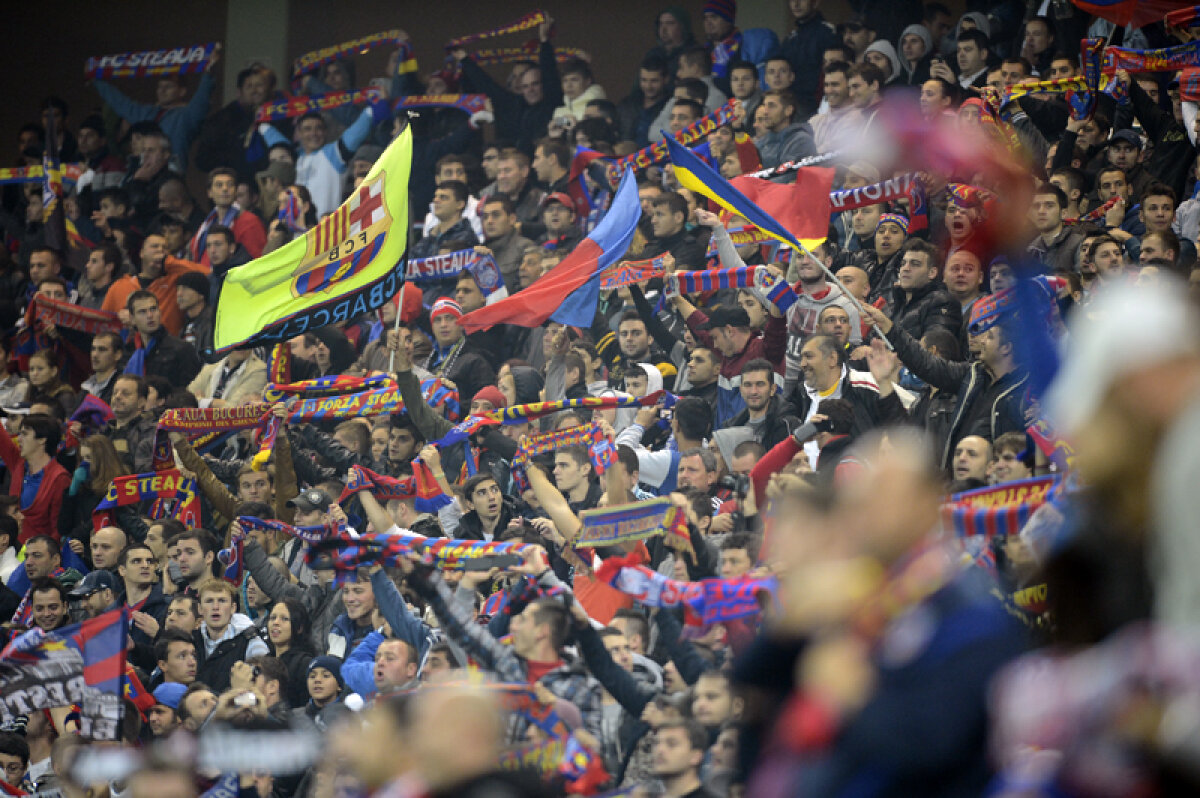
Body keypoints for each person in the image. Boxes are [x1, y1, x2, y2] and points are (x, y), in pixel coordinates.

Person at [0, 415, 68, 543]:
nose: (19, 439)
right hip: (10, 548)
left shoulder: (59, 478)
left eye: (25, 434)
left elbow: (57, 529)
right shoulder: (18, 464)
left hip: (36, 552)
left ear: (42, 439)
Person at [192, 578, 269, 692]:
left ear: (233, 608)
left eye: (222, 601)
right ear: (200, 609)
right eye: (209, 601)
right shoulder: (191, 640)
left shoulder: (251, 641)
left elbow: (263, 684)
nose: (215, 607)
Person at [123, 291, 202, 390]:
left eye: (153, 309)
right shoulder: (128, 352)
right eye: (142, 312)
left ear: (160, 312)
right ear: (132, 319)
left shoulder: (182, 349)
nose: (150, 315)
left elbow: (190, 391)